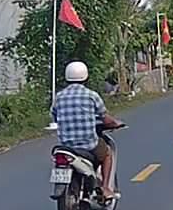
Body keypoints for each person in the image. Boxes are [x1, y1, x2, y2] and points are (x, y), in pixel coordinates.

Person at [51, 61, 121, 200]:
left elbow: (54, 116)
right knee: (107, 153)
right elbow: (105, 118)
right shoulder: (91, 95)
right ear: (85, 76)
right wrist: (115, 123)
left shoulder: (58, 97)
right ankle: (105, 188)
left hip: (66, 146)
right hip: (88, 145)